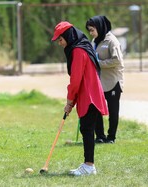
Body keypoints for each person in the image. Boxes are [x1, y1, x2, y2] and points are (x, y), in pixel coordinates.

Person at [51, 21, 108, 176]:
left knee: (87, 129)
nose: (60, 43)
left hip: (89, 95)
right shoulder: (81, 47)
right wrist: (72, 101)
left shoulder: (77, 51)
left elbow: (75, 80)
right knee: (87, 128)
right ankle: (88, 165)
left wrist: (70, 101)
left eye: (60, 40)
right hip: (90, 94)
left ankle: (89, 166)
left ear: (68, 37)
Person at [86, 15, 124, 144]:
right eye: (89, 30)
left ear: (100, 27)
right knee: (96, 109)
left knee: (113, 111)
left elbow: (117, 60)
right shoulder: (94, 41)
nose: (91, 33)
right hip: (99, 83)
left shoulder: (112, 41)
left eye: (92, 30)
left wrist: (99, 63)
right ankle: (100, 136)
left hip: (113, 82)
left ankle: (111, 137)